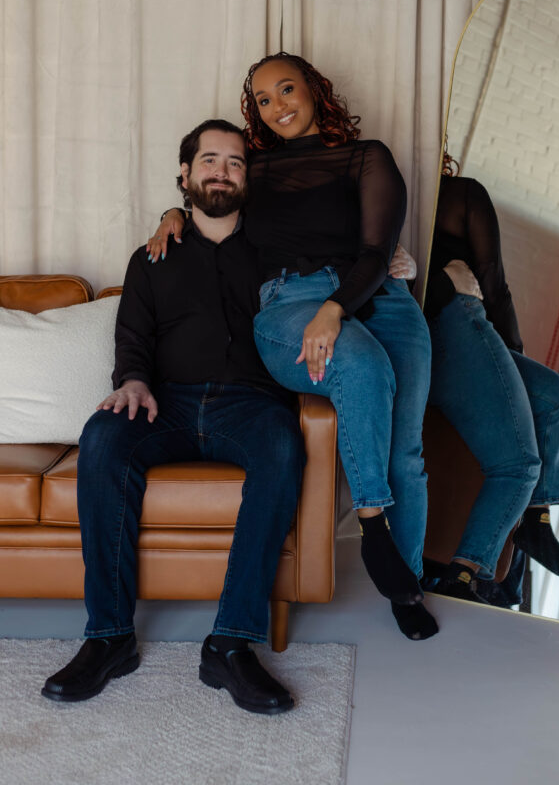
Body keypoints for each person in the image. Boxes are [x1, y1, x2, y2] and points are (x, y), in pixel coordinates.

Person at [150, 53, 437, 641]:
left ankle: (403, 589)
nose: (278, 105)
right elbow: (212, 196)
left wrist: (339, 307)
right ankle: (373, 524)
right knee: (358, 363)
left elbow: (378, 252)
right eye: (263, 99)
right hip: (292, 304)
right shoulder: (253, 170)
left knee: (407, 450)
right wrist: (170, 212)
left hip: (380, 301)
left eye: (287, 89)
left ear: (315, 91)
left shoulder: (367, 157)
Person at [42, 120, 305, 715]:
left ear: (246, 178)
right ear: (184, 176)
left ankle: (231, 644)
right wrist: (132, 382)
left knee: (284, 447)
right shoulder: (152, 256)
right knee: (103, 437)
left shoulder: (280, 254)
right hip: (168, 402)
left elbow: (339, 247)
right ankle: (109, 638)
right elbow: (132, 337)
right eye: (208, 160)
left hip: (251, 405)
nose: (221, 170)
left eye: (234, 162)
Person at [422, 155, 559, 603]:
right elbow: (493, 284)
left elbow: (493, 286)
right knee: (519, 465)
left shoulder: (458, 195)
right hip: (450, 322)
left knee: (552, 396)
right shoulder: (399, 189)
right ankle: (468, 575)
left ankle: (536, 520)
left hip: (459, 328)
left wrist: (507, 361)